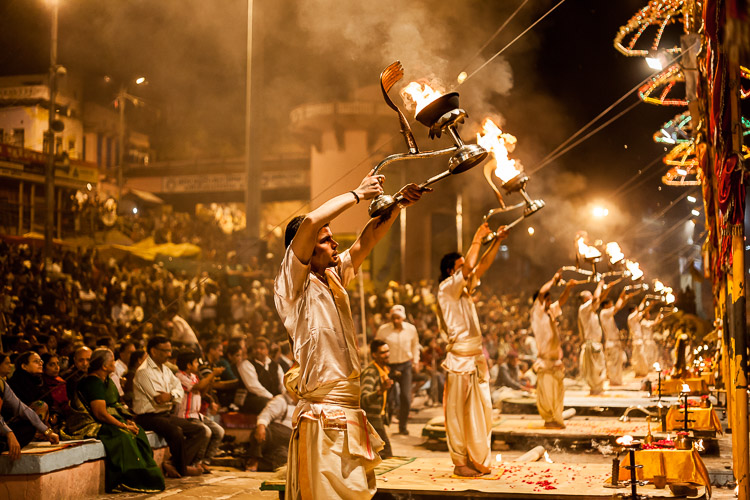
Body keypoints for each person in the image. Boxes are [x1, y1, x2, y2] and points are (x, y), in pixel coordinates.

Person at [274, 170, 427, 499]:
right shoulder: (292, 284)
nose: (335, 244)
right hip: (322, 412)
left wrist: (397, 203)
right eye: (326, 239)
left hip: (350, 411)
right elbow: (312, 220)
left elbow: (366, 240)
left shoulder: (333, 276)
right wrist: (357, 194)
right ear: (304, 247)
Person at [437, 222, 506, 477]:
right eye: (460, 267)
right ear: (450, 271)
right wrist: (478, 237)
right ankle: (459, 462)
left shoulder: (464, 292)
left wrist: (497, 241)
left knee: (481, 413)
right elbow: (469, 269)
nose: (468, 272)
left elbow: (481, 267)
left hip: (475, 361)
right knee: (456, 415)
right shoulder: (447, 289)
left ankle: (477, 459)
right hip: (458, 362)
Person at [76, 349, 165, 493]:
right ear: (104, 366)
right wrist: (123, 425)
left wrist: (128, 421)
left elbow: (116, 405)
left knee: (139, 433)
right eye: (112, 361)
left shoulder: (107, 380)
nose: (114, 364)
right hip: (96, 422)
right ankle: (124, 479)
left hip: (112, 419)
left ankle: (146, 476)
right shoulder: (93, 382)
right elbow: (100, 413)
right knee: (124, 435)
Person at [132, 335, 207, 478]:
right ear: (153, 351)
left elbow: (178, 392)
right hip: (147, 417)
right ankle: (182, 469)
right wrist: (173, 395)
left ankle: (174, 463)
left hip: (165, 415)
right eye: (165, 350)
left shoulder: (165, 370)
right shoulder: (144, 372)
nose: (169, 354)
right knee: (176, 432)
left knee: (199, 430)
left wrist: (171, 395)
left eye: (169, 350)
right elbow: (159, 399)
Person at [530, 271, 578, 429]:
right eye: (547, 299)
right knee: (548, 395)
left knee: (558, 395)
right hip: (545, 361)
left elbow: (562, 300)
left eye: (550, 299)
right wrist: (553, 279)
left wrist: (569, 287)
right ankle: (550, 420)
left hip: (556, 361)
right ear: (540, 301)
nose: (550, 301)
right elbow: (542, 292)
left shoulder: (550, 312)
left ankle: (556, 418)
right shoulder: (537, 313)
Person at [0, 352, 60, 461]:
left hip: (4, 429)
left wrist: (47, 431)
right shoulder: (17, 382)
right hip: (4, 426)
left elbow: (22, 408)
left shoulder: (2, 384)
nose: (10, 365)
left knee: (29, 428)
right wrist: (9, 433)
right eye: (7, 363)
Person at [174, 350, 226, 472]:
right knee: (206, 431)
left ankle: (204, 461)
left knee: (219, 431)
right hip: (185, 415)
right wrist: (212, 374)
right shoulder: (179, 376)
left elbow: (201, 392)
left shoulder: (194, 376)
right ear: (188, 365)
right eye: (196, 362)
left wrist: (209, 382)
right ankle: (195, 463)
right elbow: (197, 387)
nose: (198, 365)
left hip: (197, 415)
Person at [375, 304, 419, 435]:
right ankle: (383, 423)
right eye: (393, 318)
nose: (396, 321)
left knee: (405, 396)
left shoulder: (411, 330)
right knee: (387, 396)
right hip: (389, 366)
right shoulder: (383, 330)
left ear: (403, 318)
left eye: (398, 318)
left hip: (405, 365)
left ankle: (403, 425)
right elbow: (377, 346)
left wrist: (416, 362)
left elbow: (415, 345)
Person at [360, 339, 394, 459]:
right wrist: (381, 391)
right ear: (374, 355)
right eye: (383, 352)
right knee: (386, 452)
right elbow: (364, 399)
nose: (387, 354)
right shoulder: (371, 373)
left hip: (378, 417)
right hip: (372, 419)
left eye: (388, 351)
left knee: (381, 452)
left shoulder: (383, 371)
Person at [247, 392, 297, 471]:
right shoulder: (281, 400)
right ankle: (254, 460)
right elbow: (266, 414)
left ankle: (259, 464)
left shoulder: (306, 404)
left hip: (292, 438)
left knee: (283, 460)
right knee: (261, 432)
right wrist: (261, 426)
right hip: (276, 432)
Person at [577, 279, 611, 396]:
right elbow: (597, 298)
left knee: (599, 368)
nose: (592, 297)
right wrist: (600, 285)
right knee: (594, 371)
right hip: (591, 343)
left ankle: (597, 390)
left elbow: (599, 299)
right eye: (590, 295)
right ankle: (595, 391)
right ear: (586, 299)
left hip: (596, 343)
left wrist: (607, 289)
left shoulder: (591, 310)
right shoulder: (583, 309)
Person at [236, 337, 284, 413]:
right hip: (251, 400)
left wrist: (284, 397)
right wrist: (272, 398)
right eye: (255, 348)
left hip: (274, 399)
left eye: (261, 348)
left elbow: (282, 384)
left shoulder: (276, 365)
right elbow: (253, 386)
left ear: (267, 350)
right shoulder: (246, 364)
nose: (258, 350)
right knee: (268, 404)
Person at [600, 288, 637, 387]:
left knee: (617, 363)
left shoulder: (608, 314)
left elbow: (618, 307)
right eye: (610, 303)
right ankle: (613, 382)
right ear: (605, 305)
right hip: (611, 343)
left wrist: (626, 299)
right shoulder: (604, 313)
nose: (612, 305)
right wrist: (622, 294)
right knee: (612, 363)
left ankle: (617, 381)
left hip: (614, 342)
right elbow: (617, 307)